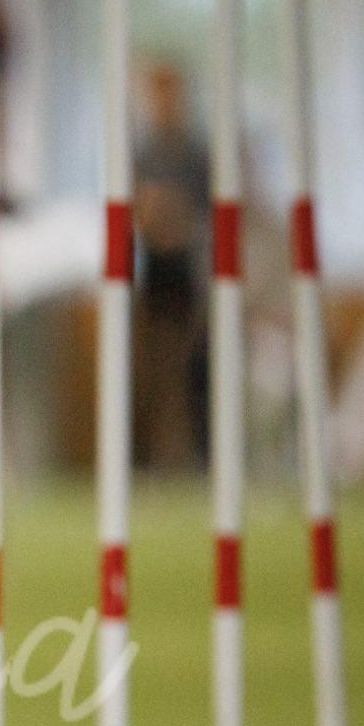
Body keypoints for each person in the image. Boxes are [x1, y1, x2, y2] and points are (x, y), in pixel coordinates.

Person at [132, 62, 210, 472]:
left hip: (188, 273)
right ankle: (156, 455)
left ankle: (194, 454)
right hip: (153, 274)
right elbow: (140, 213)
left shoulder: (195, 152)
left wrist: (166, 213)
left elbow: (198, 215)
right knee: (154, 370)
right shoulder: (142, 152)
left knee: (193, 367)